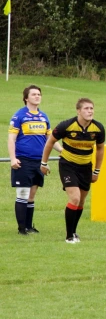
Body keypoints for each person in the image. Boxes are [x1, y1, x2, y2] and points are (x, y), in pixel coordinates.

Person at [40, 98, 105, 243]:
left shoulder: (98, 128)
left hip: (86, 167)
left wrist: (96, 171)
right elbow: (50, 142)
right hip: (68, 165)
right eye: (86, 108)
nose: (90, 111)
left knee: (81, 202)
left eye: (91, 108)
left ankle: (74, 232)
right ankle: (69, 237)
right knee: (74, 198)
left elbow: (100, 149)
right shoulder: (66, 125)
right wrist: (43, 163)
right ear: (78, 111)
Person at [8, 85, 56, 235]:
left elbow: (50, 139)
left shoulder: (44, 117)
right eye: (34, 94)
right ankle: (21, 229)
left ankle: (29, 227)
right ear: (26, 98)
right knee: (22, 193)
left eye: (39, 94)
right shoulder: (19, 116)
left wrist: (63, 151)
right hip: (23, 160)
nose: (37, 96)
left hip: (39, 161)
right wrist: (13, 159)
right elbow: (11, 139)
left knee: (32, 194)